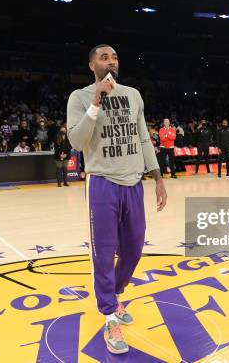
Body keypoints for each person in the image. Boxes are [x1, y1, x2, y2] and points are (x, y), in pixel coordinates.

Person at [66, 44, 167, 355]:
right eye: (104, 57)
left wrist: (158, 175)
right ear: (91, 65)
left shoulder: (133, 94)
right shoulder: (79, 97)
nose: (111, 60)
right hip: (102, 184)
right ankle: (109, 316)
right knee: (103, 254)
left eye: (114, 57)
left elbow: (143, 137)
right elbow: (77, 141)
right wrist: (96, 101)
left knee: (134, 249)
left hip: (134, 182)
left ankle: (115, 293)